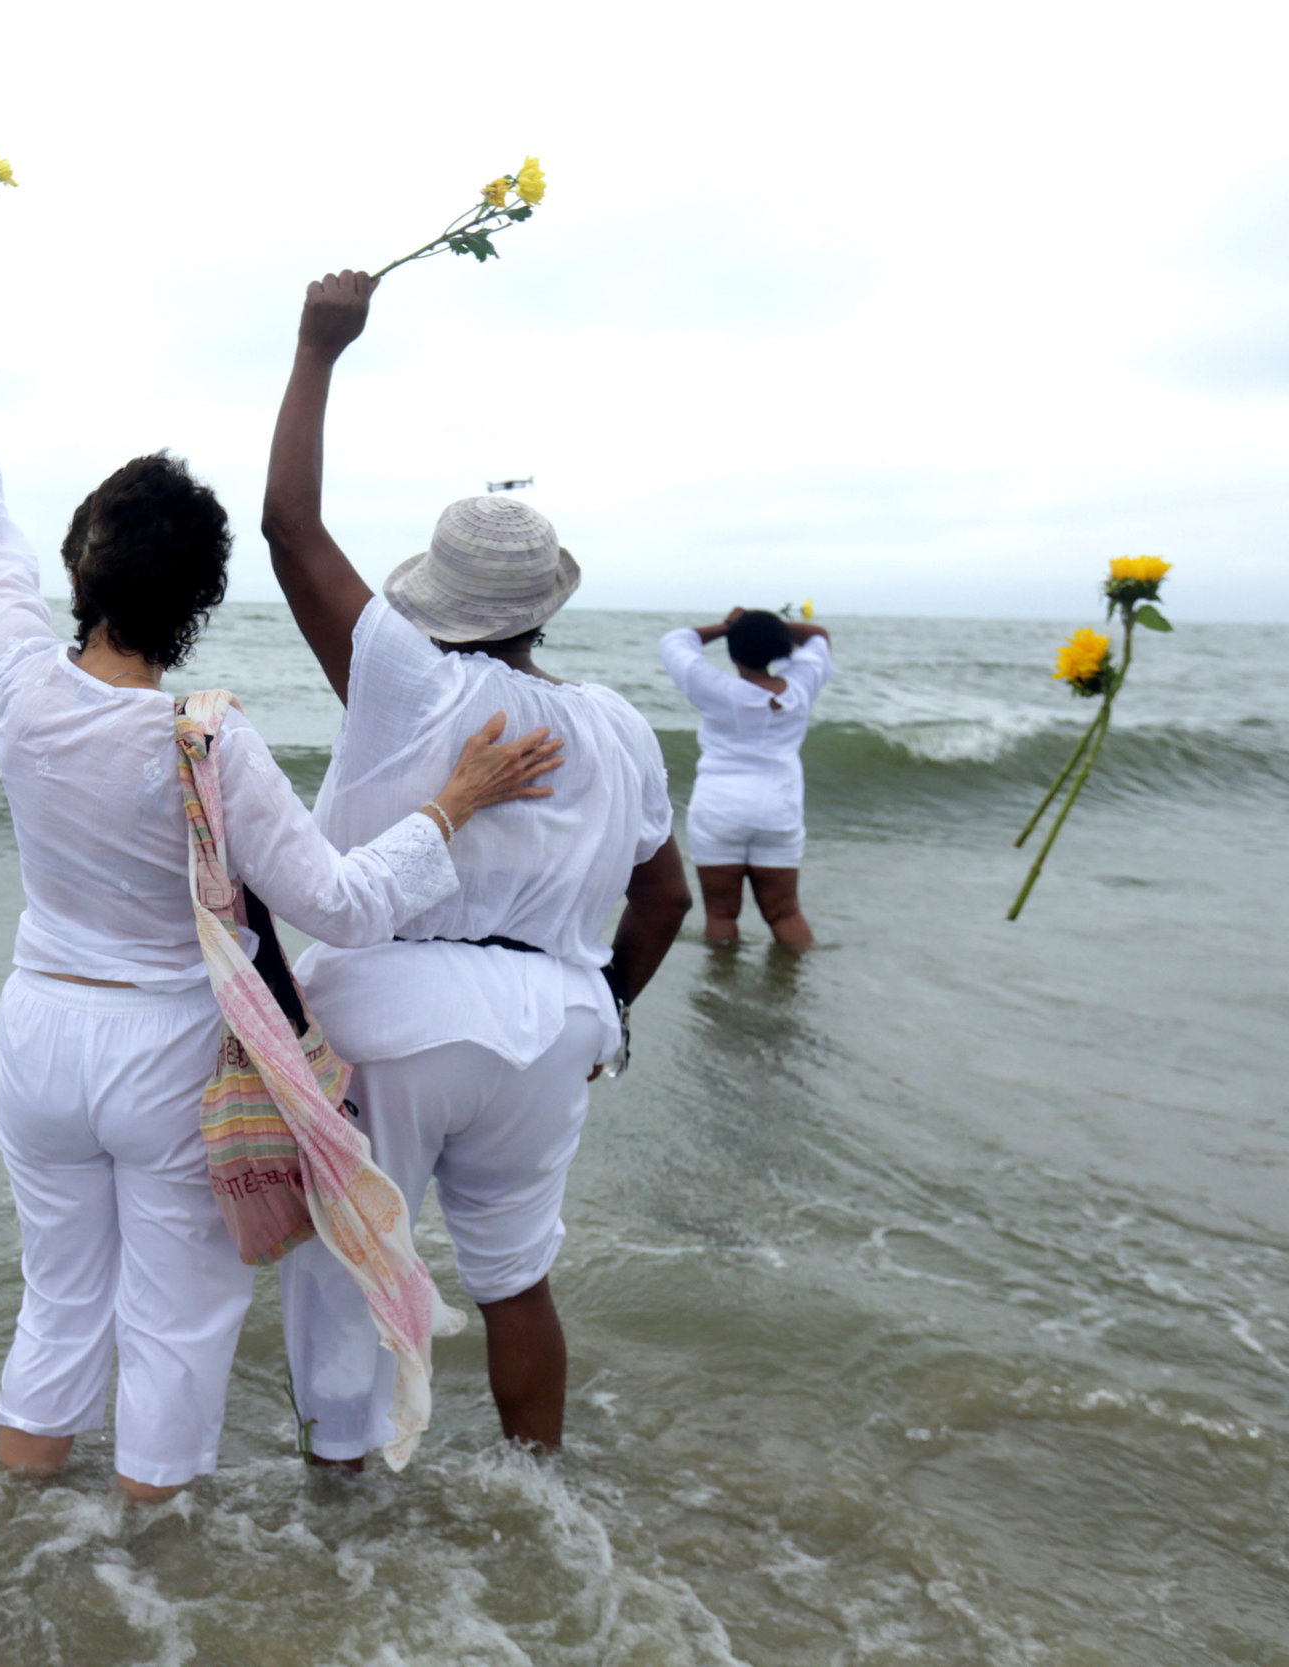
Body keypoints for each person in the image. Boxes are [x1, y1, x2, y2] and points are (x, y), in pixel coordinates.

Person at [0, 307, 567, 1502]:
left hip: (37, 1028)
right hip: (165, 1048)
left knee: (60, 1291)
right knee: (174, 1319)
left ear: (81, 565)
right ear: (201, 600)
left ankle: (24, 1535)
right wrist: (452, 804)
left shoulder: (23, 683)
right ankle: (144, 1583)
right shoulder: (206, 741)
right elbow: (336, 901)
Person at [259, 271, 694, 1464]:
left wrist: (319, 347)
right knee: (516, 1276)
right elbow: (664, 900)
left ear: (437, 598)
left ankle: (343, 1497)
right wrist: (605, 1010)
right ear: (539, 608)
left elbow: (289, 528)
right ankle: (535, 1493)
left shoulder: (411, 679)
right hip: (553, 1022)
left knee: (349, 1265)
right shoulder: (615, 721)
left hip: (399, 1019)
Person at [658, 608, 834, 947]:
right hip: (779, 810)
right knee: (785, 912)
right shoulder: (801, 685)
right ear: (781, 648)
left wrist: (729, 626)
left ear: (733, 651)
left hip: (720, 809)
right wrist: (769, 625)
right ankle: (794, 989)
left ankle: (722, 990)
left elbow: (676, 641)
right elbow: (818, 636)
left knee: (721, 913)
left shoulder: (717, 689)